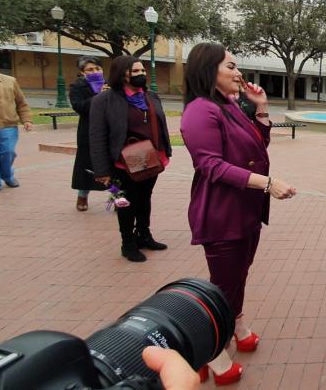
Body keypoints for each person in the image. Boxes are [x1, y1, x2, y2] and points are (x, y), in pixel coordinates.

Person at [180, 42, 297, 385]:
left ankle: (238, 325)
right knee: (223, 288)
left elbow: (255, 146)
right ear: (207, 69)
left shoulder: (227, 106)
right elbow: (211, 166)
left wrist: (261, 109)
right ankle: (210, 353)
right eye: (230, 66)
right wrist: (267, 183)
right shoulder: (201, 110)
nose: (238, 73)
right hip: (222, 214)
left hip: (244, 211)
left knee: (237, 279)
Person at [89, 56, 171, 262]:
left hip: (150, 158)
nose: (141, 74)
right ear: (122, 74)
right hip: (122, 163)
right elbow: (97, 136)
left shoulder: (150, 96)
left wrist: (166, 149)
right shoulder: (104, 100)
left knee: (145, 198)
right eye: (135, 72)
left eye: (142, 70)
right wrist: (102, 171)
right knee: (125, 202)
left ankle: (144, 235)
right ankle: (128, 243)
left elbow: (161, 125)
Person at [0, 52, 32, 196]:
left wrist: (27, 120)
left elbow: (21, 103)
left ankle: (8, 176)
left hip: (8, 125)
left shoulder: (10, 81)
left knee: (8, 153)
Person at [69, 56, 109, 211]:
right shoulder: (77, 87)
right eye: (90, 70)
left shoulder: (109, 85)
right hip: (89, 132)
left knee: (114, 166)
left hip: (109, 131)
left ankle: (117, 196)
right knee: (87, 165)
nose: (95, 72)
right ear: (82, 73)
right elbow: (79, 106)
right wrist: (98, 97)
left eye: (97, 68)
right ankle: (82, 195)